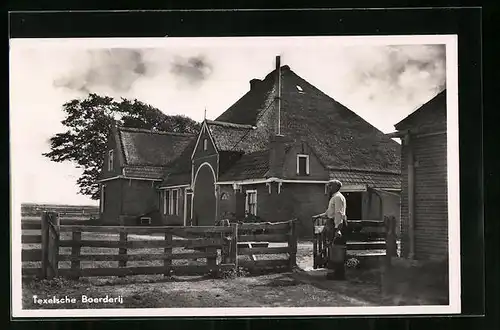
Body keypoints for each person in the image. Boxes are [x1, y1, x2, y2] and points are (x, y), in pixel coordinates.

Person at [313, 179, 348, 280]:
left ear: (335, 187)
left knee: (336, 249)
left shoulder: (338, 197)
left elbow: (339, 214)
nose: (328, 188)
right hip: (333, 224)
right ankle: (333, 273)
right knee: (332, 249)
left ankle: (338, 275)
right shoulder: (334, 197)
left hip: (336, 225)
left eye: (330, 186)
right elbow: (329, 212)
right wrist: (318, 216)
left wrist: (338, 229)